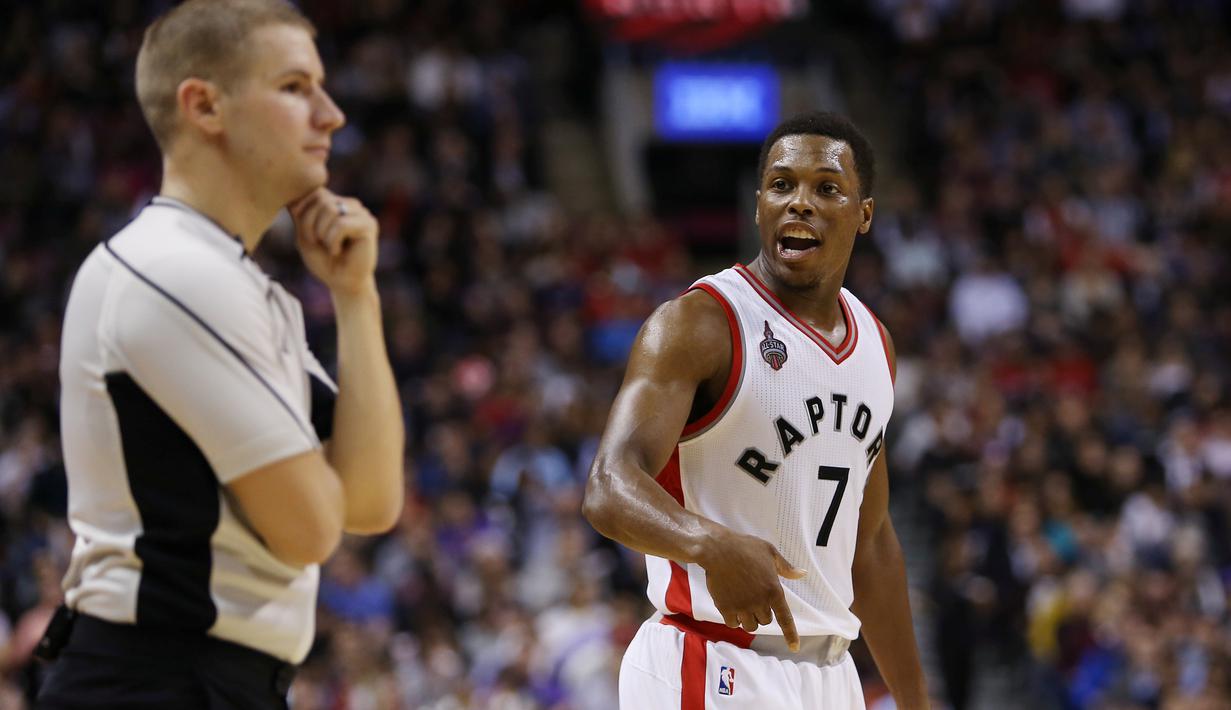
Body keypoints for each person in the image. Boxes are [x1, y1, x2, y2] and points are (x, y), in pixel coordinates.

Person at [37, 1, 405, 708]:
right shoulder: (175, 272)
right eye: (296, 88)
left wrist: (356, 298)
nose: (331, 115)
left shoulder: (228, 280)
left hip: (197, 677)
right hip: (154, 677)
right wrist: (320, 487)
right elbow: (311, 528)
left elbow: (371, 499)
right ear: (204, 106)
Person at [583, 112, 929, 709]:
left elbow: (869, 546)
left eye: (826, 188)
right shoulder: (701, 323)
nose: (799, 203)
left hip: (832, 676)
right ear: (758, 205)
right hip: (711, 656)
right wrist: (707, 544)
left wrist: (917, 703)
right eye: (781, 184)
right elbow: (609, 486)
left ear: (864, 214)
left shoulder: (876, 344)